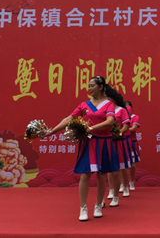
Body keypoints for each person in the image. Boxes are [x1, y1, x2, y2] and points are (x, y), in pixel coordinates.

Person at [44, 76, 118, 221]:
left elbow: (110, 121)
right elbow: (69, 119)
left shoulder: (108, 104)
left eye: (92, 86)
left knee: (102, 174)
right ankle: (83, 208)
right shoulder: (84, 105)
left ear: (100, 87)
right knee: (85, 174)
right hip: (88, 142)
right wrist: (52, 132)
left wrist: (91, 128)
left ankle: (98, 205)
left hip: (103, 142)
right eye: (88, 86)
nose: (89, 88)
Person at [106, 87, 131, 206]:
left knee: (122, 167)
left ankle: (125, 186)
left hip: (119, 141)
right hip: (108, 141)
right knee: (109, 168)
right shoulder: (104, 110)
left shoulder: (121, 110)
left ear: (112, 98)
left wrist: (118, 133)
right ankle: (111, 189)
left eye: (107, 97)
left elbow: (126, 126)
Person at [126, 100, 141, 190]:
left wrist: (122, 129)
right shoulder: (119, 116)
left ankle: (131, 181)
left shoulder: (135, 117)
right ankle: (123, 183)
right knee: (122, 165)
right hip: (122, 142)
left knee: (132, 164)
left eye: (128, 106)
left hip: (132, 142)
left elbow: (133, 129)